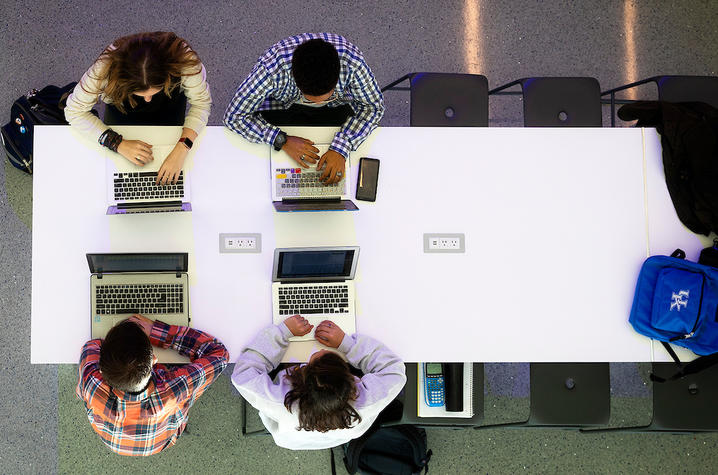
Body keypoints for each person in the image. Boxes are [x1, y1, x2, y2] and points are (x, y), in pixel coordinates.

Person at [223, 33, 384, 185]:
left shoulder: (352, 63)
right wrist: (281, 140)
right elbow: (234, 116)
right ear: (294, 76)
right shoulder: (271, 68)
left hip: (336, 108)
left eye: (326, 96)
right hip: (283, 108)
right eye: (310, 98)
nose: (316, 104)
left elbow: (373, 108)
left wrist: (341, 148)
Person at [231, 315, 406, 450]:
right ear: (351, 382)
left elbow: (242, 376)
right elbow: (394, 371)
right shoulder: (367, 401)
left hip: (290, 439)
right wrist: (347, 345)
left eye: (311, 362)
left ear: (300, 381)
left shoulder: (279, 402)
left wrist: (283, 333)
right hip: (339, 437)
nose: (322, 350)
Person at [65, 31, 212, 184]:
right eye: (141, 94)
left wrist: (182, 149)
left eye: (155, 91)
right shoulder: (103, 69)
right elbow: (74, 111)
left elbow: (201, 103)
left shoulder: (185, 60)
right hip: (121, 112)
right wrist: (117, 143)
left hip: (170, 111)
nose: (148, 100)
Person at [76, 314, 229, 456]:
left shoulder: (92, 383)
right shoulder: (175, 388)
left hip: (116, 443)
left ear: (101, 371)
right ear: (154, 359)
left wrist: (118, 349)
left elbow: (92, 345)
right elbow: (219, 353)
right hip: (164, 440)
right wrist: (158, 332)